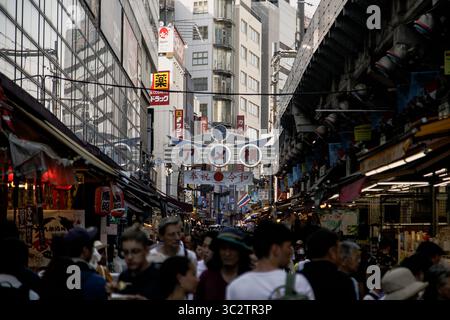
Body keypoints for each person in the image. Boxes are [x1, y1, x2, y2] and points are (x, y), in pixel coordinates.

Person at [226, 221, 314, 300]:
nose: (291, 251)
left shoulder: (236, 287)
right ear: (275, 249)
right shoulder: (298, 283)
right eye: (288, 246)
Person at [300, 228, 357, 301]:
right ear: (332, 252)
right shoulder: (343, 282)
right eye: (339, 250)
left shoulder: (297, 278)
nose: (341, 255)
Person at [196, 228, 251, 300]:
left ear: (240, 252)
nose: (227, 254)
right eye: (223, 248)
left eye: (232, 249)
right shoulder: (206, 277)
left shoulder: (250, 279)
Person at [110, 224, 162, 300]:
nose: (129, 257)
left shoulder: (160, 276)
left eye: (135, 251)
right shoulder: (124, 276)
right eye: (126, 252)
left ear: (146, 251)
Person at [62, 226, 108, 300]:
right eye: (92, 247)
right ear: (85, 251)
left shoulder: (54, 280)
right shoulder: (97, 282)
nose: (94, 251)